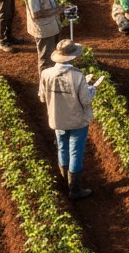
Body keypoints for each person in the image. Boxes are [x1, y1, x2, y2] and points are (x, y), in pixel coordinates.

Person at [39, 38, 97, 200]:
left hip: (57, 119)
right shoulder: (77, 76)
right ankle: (75, 190)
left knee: (62, 147)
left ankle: (65, 180)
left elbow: (42, 97)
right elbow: (86, 99)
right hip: (76, 120)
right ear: (73, 57)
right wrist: (92, 89)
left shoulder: (46, 73)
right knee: (75, 152)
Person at [25, 0, 67, 75]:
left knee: (54, 55)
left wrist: (58, 8)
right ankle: (44, 83)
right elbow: (36, 14)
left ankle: (53, 78)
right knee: (45, 59)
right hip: (43, 30)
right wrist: (57, 10)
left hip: (51, 26)